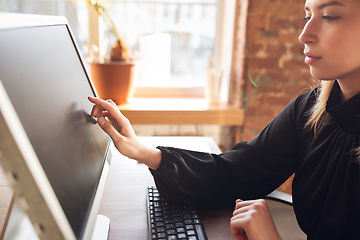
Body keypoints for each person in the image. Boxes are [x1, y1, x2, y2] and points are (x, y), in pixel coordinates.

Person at [88, 0, 360, 239]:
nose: (305, 34)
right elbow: (238, 172)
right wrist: (147, 153)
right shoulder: (311, 110)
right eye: (307, 15)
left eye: (329, 16)